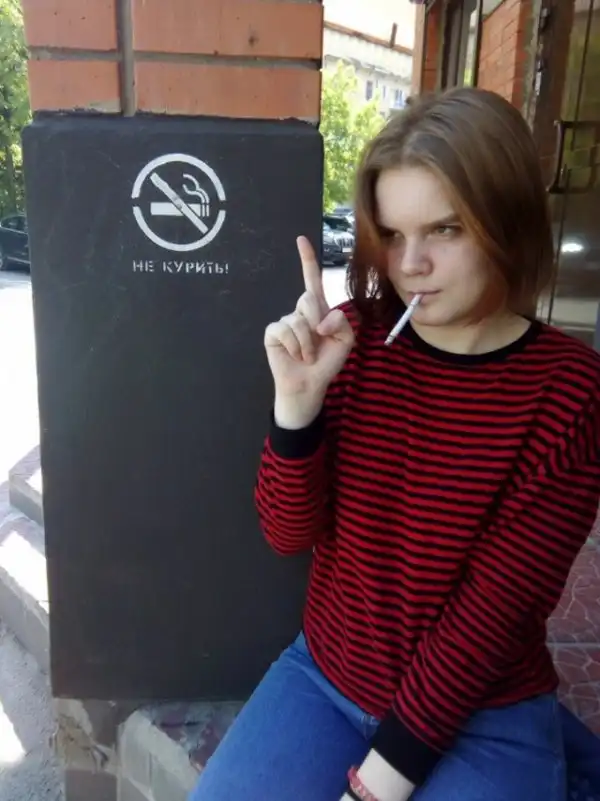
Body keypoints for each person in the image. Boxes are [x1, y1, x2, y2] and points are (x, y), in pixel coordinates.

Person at [188, 87, 600, 801]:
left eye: (445, 229)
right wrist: (297, 409)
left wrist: (372, 788)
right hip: (327, 674)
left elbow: (488, 620)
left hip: (484, 707)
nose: (410, 264)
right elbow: (287, 534)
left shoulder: (569, 389)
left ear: (506, 220)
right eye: (392, 233)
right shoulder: (351, 341)